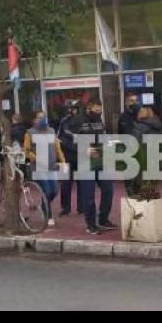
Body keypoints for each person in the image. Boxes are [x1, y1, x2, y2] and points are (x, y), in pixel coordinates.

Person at [67, 99, 115, 234]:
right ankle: (91, 224)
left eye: (100, 108)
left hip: (100, 160)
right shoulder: (77, 120)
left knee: (108, 190)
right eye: (96, 108)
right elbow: (65, 138)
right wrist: (83, 149)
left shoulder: (100, 122)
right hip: (84, 162)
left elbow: (103, 137)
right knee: (88, 195)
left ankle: (103, 219)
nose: (98, 111)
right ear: (89, 108)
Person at [24, 110, 65, 227]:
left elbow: (57, 147)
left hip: (51, 166)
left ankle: (43, 205)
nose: (42, 119)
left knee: (54, 191)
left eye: (44, 117)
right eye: (39, 117)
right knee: (46, 191)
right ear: (34, 120)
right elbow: (26, 150)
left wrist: (63, 161)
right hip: (38, 167)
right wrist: (36, 158)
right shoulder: (29, 133)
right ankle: (48, 215)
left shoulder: (51, 131)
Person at [128, 106, 162, 196]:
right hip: (155, 158)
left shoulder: (139, 127)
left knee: (138, 184)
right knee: (151, 183)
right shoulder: (159, 126)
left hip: (142, 159)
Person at [57, 99, 83, 216]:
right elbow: (59, 137)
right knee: (65, 183)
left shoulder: (83, 121)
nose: (71, 111)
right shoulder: (64, 121)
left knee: (82, 182)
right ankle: (66, 207)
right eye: (70, 109)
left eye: (73, 108)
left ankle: (81, 207)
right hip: (66, 155)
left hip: (80, 155)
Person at [118, 93, 141, 194]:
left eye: (136, 101)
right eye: (131, 101)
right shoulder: (123, 117)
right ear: (127, 102)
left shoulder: (142, 115)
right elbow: (120, 134)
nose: (134, 103)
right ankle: (131, 196)